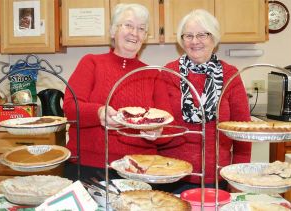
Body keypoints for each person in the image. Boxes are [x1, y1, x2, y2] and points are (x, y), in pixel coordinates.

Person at [63, 3, 171, 181]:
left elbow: (167, 123)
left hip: (139, 169)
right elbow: (69, 108)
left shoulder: (153, 74)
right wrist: (99, 112)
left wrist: (157, 132)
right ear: (113, 31)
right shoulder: (91, 63)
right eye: (128, 25)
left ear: (145, 37)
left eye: (141, 29)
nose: (134, 33)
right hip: (88, 167)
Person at [157, 9, 252, 194]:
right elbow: (161, 127)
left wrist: (239, 177)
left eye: (202, 34)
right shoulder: (168, 73)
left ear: (214, 38)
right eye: (189, 35)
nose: (195, 41)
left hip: (216, 177)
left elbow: (243, 133)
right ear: (182, 40)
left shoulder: (230, 75)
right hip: (172, 174)